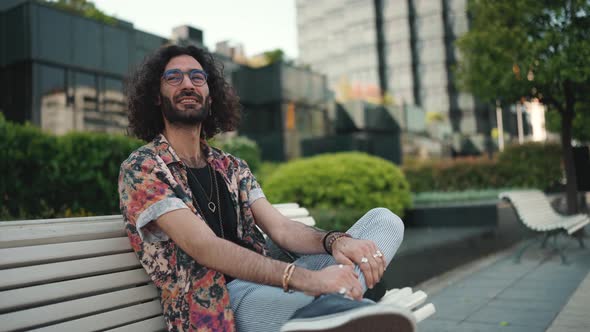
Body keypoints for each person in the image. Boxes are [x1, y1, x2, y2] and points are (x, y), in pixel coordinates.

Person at [118, 44, 412, 332]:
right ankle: (343, 303)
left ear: (210, 94)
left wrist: (336, 241)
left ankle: (335, 306)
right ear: (156, 96)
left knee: (384, 220)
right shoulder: (144, 167)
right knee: (322, 292)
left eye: (197, 77)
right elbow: (204, 248)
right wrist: (309, 280)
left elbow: (282, 229)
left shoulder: (231, 166)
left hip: (274, 281)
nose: (187, 84)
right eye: (174, 77)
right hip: (221, 303)